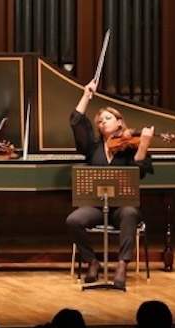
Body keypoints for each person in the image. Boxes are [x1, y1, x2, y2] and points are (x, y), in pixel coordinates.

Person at [65, 80, 153, 289]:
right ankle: (92, 262)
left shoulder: (131, 147)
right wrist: (86, 95)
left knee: (130, 213)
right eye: (100, 120)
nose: (102, 122)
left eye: (108, 118)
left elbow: (139, 171)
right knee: (73, 220)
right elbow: (76, 121)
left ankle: (122, 265)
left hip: (121, 208)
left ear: (120, 122)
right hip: (96, 206)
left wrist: (144, 145)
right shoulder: (92, 147)